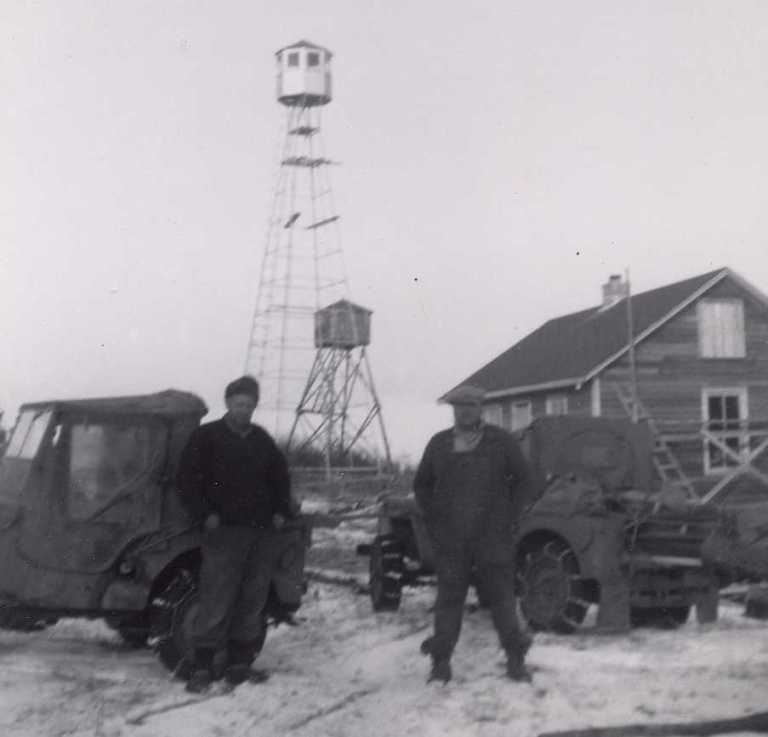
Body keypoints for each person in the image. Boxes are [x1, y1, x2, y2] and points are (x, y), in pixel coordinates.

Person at [176, 375, 297, 693]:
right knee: (216, 597)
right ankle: (202, 666)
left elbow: (280, 478)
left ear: (255, 406)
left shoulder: (261, 440)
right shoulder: (207, 437)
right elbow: (186, 480)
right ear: (228, 403)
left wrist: (281, 511)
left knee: (252, 599)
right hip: (224, 534)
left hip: (261, 534)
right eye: (239, 404)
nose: (244, 410)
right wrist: (205, 514)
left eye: (249, 405)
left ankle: (239, 664)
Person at [414, 383, 533, 684]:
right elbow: (422, 484)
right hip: (453, 541)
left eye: (470, 406)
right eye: (459, 407)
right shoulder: (439, 444)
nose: (465, 412)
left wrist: (509, 518)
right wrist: (435, 519)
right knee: (448, 601)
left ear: (481, 408)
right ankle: (440, 664)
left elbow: (524, 480)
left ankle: (515, 660)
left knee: (502, 599)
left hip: (492, 539)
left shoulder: (501, 441)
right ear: (453, 410)